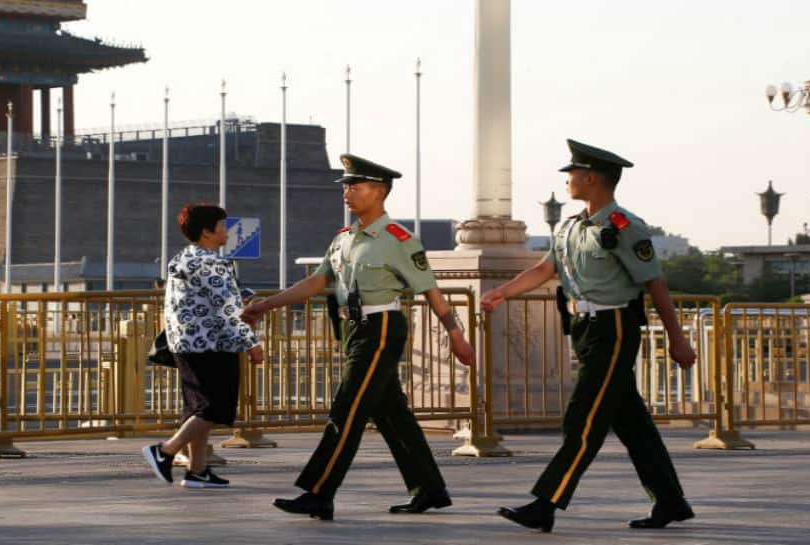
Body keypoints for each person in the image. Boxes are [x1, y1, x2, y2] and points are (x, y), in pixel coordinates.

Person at [241, 154, 475, 520]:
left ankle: (319, 492)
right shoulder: (343, 239)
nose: (347, 192)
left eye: (356, 185)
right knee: (391, 415)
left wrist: (456, 334)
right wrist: (267, 304)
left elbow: (430, 290)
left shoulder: (399, 239)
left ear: (379, 191)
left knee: (347, 409)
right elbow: (317, 281)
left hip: (380, 329)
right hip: (352, 329)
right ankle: (428, 489)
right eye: (346, 186)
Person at [482, 139, 697, 531]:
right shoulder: (570, 227)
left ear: (591, 178)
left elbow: (655, 284)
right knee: (630, 422)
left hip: (615, 328)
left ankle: (545, 503)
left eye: (573, 174)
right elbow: (545, 270)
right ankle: (670, 502)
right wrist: (502, 292)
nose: (567, 180)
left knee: (583, 417)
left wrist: (677, 338)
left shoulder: (625, 227)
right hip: (583, 328)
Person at [142, 202, 264, 489]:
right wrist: (251, 343)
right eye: (222, 225)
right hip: (211, 344)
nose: (227, 230)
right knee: (216, 407)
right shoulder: (212, 262)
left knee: (198, 407)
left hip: (185, 343)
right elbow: (228, 308)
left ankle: (197, 471)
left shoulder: (184, 258)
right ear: (208, 232)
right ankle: (166, 450)